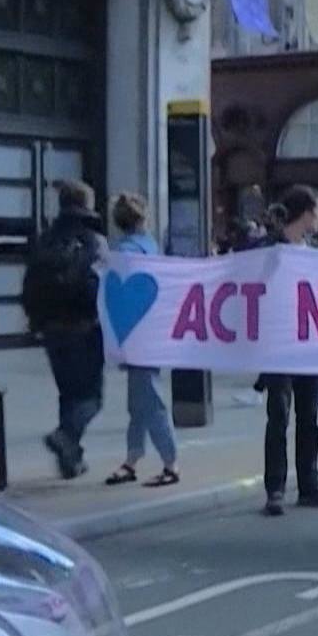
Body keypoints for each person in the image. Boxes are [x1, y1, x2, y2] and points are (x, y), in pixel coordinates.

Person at [252, 185, 318, 517]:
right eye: (317, 211)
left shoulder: (314, 248)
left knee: (309, 417)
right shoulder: (270, 249)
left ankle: (309, 484)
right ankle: (275, 489)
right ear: (305, 213)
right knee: (278, 415)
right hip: (278, 342)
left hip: (309, 342)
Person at [21, 179, 106, 480]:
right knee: (91, 398)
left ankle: (71, 460)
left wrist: (35, 321)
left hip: (51, 329)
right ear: (86, 205)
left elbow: (29, 282)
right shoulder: (93, 241)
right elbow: (104, 287)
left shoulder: (47, 239)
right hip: (84, 328)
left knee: (68, 393)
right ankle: (65, 436)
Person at [105, 192, 179, 488]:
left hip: (136, 336)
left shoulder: (123, 253)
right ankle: (132, 458)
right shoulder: (151, 248)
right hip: (153, 332)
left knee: (149, 398)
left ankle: (170, 462)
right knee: (139, 399)